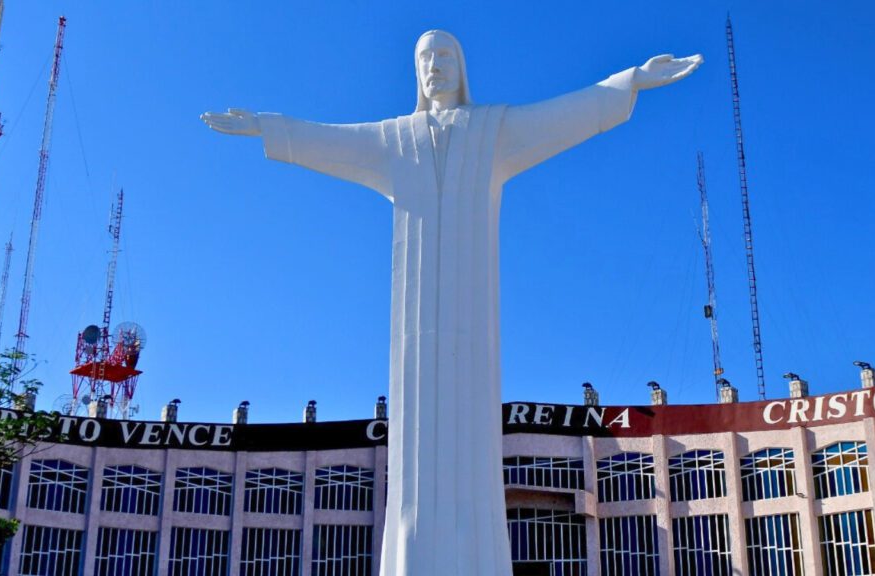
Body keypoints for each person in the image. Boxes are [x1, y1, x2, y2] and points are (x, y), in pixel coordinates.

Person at [203, 30, 701, 576]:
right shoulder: (395, 140)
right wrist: (268, 127)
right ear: (415, 72)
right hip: (415, 343)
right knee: (416, 474)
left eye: (444, 56)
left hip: (473, 331)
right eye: (424, 58)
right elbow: (329, 140)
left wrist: (628, 82)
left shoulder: (491, 130)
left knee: (472, 473)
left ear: (461, 67)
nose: (434, 66)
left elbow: (561, 116)